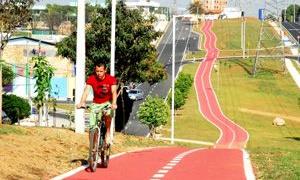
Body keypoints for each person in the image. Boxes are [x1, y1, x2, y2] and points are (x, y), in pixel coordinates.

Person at [76, 62, 117, 146]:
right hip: (96, 103)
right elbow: (86, 92)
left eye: (101, 71)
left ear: (105, 70)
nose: (99, 73)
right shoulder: (91, 78)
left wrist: (114, 103)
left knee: (108, 114)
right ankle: (93, 148)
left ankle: (108, 133)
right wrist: (81, 102)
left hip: (107, 103)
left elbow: (114, 92)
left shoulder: (111, 79)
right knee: (92, 127)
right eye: (97, 71)